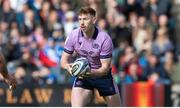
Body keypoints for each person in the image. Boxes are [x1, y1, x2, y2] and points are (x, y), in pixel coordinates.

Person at [60, 7, 122, 107]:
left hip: (102, 76)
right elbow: (63, 61)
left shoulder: (104, 39)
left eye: (85, 19)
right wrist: (69, 68)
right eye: (80, 19)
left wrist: (87, 71)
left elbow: (105, 68)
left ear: (94, 20)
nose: (81, 23)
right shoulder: (73, 35)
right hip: (83, 77)